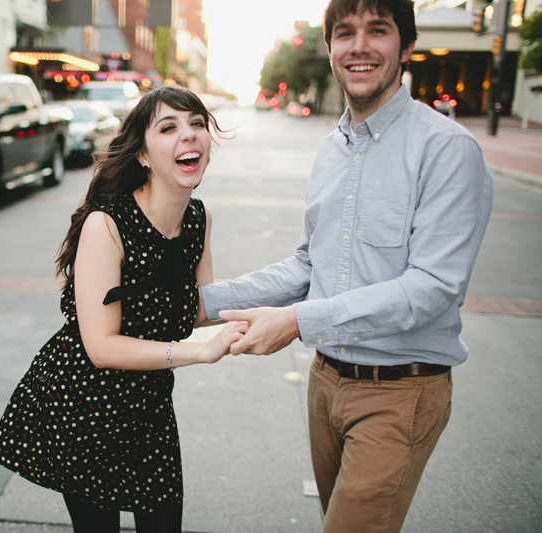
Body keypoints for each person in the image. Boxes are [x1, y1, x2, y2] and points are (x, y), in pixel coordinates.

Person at [197, 0, 494, 531]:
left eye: (377, 31)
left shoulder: (447, 148)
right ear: (330, 48)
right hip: (326, 384)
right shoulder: (333, 149)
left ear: (405, 47)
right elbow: (308, 265)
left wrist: (296, 323)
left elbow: (432, 288)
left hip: (401, 392)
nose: (359, 46)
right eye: (345, 33)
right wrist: (201, 304)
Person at [0, 85, 246, 533]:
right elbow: (101, 347)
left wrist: (275, 308)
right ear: (143, 155)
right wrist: (200, 352)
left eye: (197, 124)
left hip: (148, 407)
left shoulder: (198, 218)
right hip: (84, 405)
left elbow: (198, 308)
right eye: (168, 127)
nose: (189, 135)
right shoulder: (106, 224)